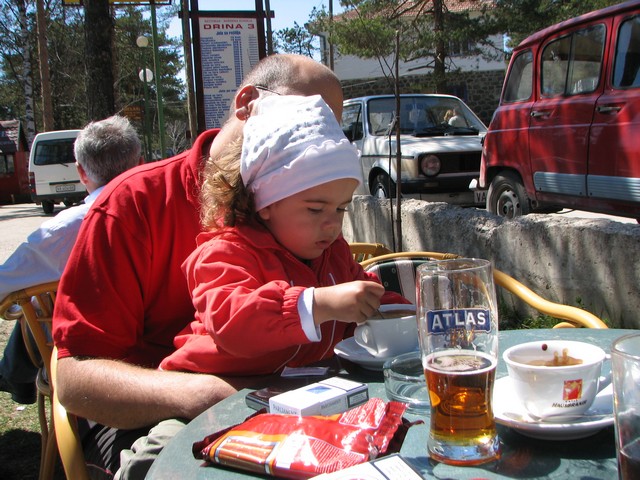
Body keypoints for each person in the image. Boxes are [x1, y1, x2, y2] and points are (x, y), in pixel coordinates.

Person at [52, 54, 347, 479]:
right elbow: (75, 378)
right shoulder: (134, 203)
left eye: (333, 128)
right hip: (153, 414)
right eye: (307, 117)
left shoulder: (309, 207)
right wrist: (201, 393)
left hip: (286, 406)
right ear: (247, 103)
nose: (321, 138)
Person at [160, 94, 407, 375]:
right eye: (315, 209)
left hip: (291, 389)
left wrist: (412, 315)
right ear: (265, 203)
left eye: (341, 209)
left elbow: (366, 302)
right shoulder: (223, 255)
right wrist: (318, 304)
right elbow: (233, 322)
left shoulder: (333, 254)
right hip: (204, 390)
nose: (332, 224)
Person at [0, 115, 142, 405]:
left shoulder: (62, 230)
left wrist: (25, 304)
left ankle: (14, 377)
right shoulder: (166, 213)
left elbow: (4, 284)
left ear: (81, 172)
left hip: (85, 354)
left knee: (41, 302)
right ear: (140, 164)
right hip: (160, 338)